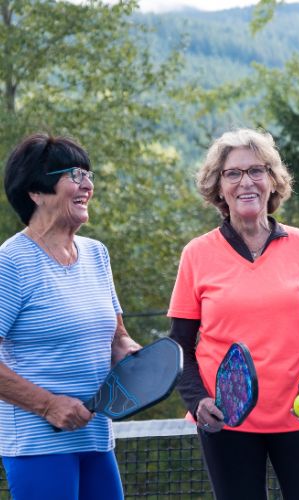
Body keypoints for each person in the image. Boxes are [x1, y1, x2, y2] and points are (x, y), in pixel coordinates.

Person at [168, 128, 299, 500]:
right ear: (219, 186)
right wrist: (198, 401)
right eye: (233, 173)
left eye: (256, 170)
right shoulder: (196, 255)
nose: (246, 181)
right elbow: (179, 345)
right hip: (227, 422)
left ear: (272, 181)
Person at [0, 133, 141, 500]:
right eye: (75, 175)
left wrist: (126, 349)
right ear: (36, 191)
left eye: (89, 175)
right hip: (37, 445)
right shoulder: (10, 264)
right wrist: (48, 405)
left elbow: (117, 335)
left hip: (95, 436)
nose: (88, 185)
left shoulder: (97, 254)